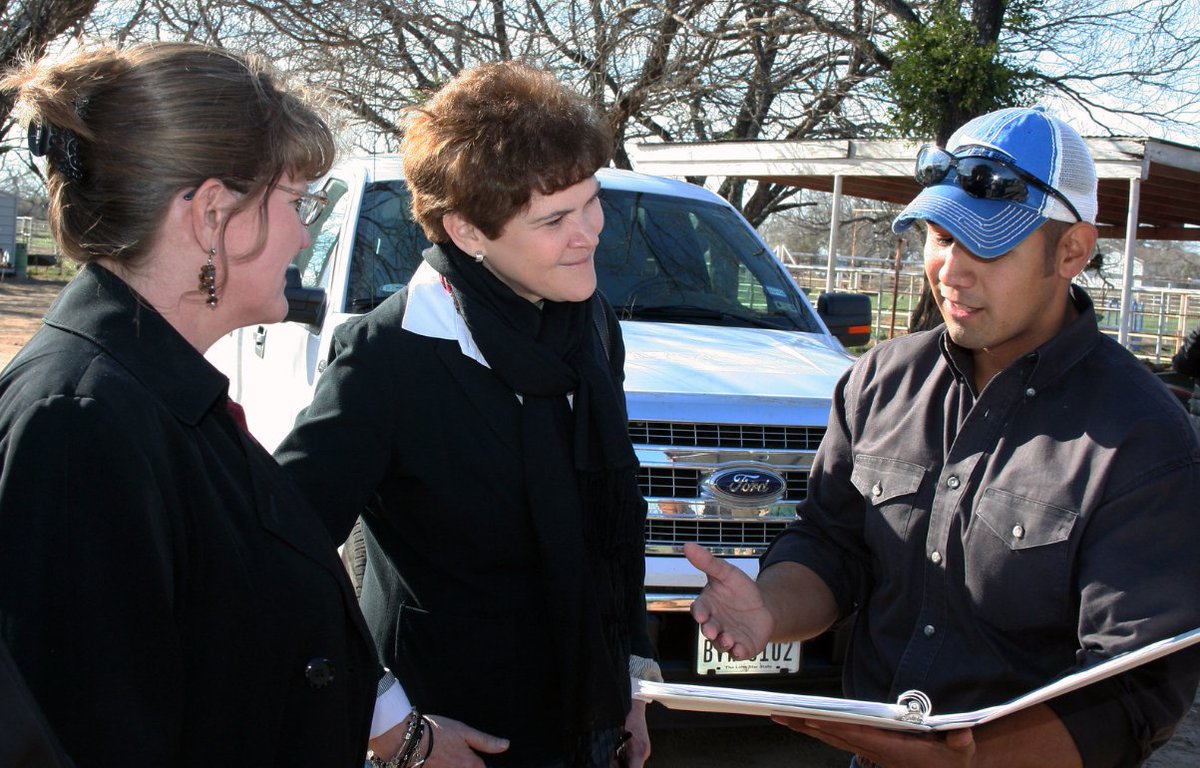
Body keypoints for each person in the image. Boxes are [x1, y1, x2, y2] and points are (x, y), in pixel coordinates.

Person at [686, 106, 1200, 768]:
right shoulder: (879, 382)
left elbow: (1131, 692)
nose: (952, 272)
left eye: (989, 245)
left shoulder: (1141, 439)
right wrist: (769, 609)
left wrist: (961, 761)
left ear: (1070, 250)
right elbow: (830, 544)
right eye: (939, 235)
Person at [0, 42, 398, 767]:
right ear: (214, 214)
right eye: (297, 202)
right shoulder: (82, 423)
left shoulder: (153, 392)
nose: (306, 235)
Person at [274, 60, 656, 768]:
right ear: (467, 231)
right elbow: (273, 556)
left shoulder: (590, 323)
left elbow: (612, 517)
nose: (590, 233)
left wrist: (630, 679)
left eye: (592, 201)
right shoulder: (388, 355)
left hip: (587, 723)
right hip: (454, 735)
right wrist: (388, 721)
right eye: (554, 219)